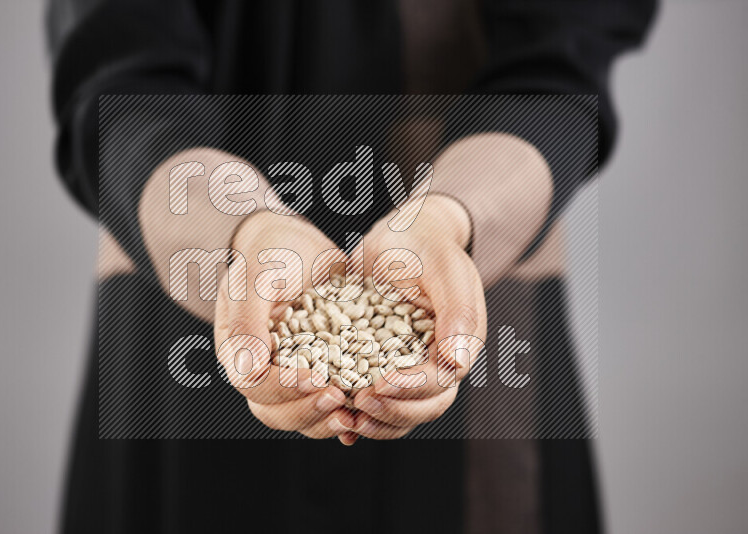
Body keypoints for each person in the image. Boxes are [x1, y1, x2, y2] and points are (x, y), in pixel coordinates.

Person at [48, 1, 656, 532]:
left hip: (468, 282)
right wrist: (244, 233)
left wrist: (449, 219)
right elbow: (119, 84)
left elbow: (558, 72)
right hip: (188, 277)